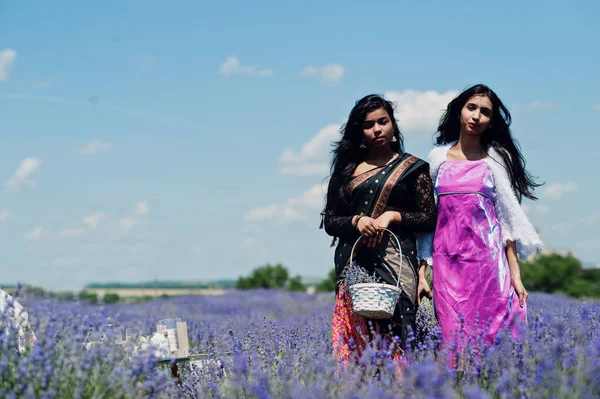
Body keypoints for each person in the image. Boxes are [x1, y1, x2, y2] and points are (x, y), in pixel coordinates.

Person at [417, 84, 543, 361]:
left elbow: (506, 221)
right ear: (459, 111)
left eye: (484, 112)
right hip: (447, 264)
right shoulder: (437, 158)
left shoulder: (496, 160)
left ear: (491, 121)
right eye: (471, 107)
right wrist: (421, 271)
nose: (476, 116)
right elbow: (429, 218)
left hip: (488, 264)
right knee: (452, 339)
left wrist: (516, 276)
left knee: (492, 335)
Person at [320, 94, 437, 363]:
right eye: (369, 124)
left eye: (383, 121)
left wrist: (392, 216)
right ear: (359, 131)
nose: (377, 129)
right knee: (357, 351)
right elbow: (330, 222)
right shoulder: (347, 169)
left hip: (396, 265)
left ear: (393, 124)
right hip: (355, 267)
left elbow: (430, 218)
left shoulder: (413, 169)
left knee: (400, 343)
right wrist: (356, 221)